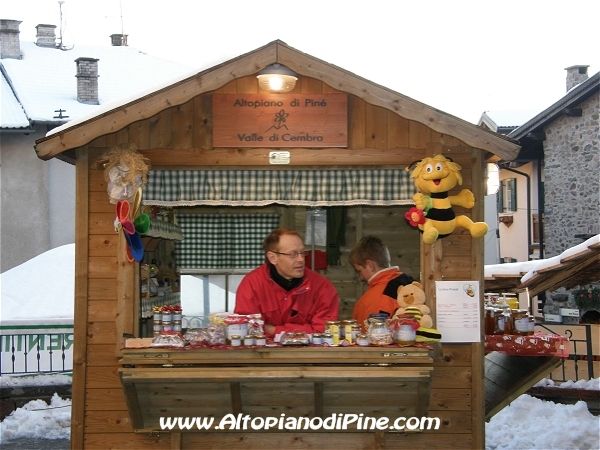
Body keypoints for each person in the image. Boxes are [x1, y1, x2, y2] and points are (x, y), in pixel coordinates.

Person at [234, 228, 339, 337]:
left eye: (302, 253)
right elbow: (248, 329)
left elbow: (325, 331)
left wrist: (274, 330)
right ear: (273, 258)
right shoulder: (252, 284)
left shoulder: (322, 287)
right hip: (263, 353)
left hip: (308, 353)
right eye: (293, 254)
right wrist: (304, 330)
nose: (301, 259)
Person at [349, 236, 414, 331]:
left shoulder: (375, 299)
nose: (361, 277)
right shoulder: (411, 283)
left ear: (370, 265)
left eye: (359, 271)